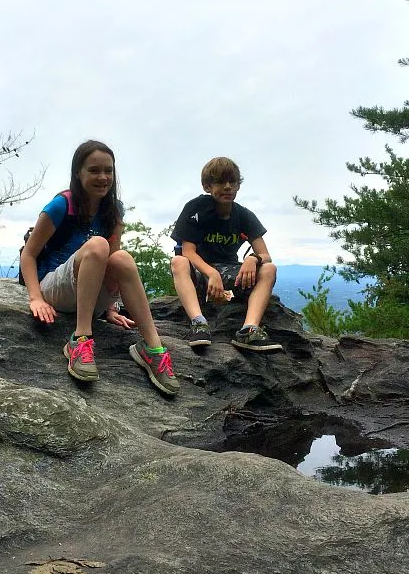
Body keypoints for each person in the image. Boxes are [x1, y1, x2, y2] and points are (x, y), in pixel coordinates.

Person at [20, 140, 179, 395]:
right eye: (94, 170)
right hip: (55, 287)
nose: (103, 177)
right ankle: (81, 339)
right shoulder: (62, 205)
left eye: (109, 170)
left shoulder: (114, 210)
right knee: (97, 246)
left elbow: (113, 264)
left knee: (122, 258)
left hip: (90, 296)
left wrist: (110, 308)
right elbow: (29, 255)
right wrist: (36, 298)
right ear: (78, 173)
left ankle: (153, 349)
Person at [170, 156, 282, 352]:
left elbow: (265, 255)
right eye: (221, 182)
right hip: (198, 273)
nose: (228, 187)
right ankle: (199, 323)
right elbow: (188, 252)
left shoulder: (243, 215)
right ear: (207, 186)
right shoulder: (196, 209)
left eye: (233, 182)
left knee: (269, 269)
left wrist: (252, 259)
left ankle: (249, 330)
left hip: (229, 272)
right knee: (178, 261)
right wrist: (211, 273)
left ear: (239, 186)